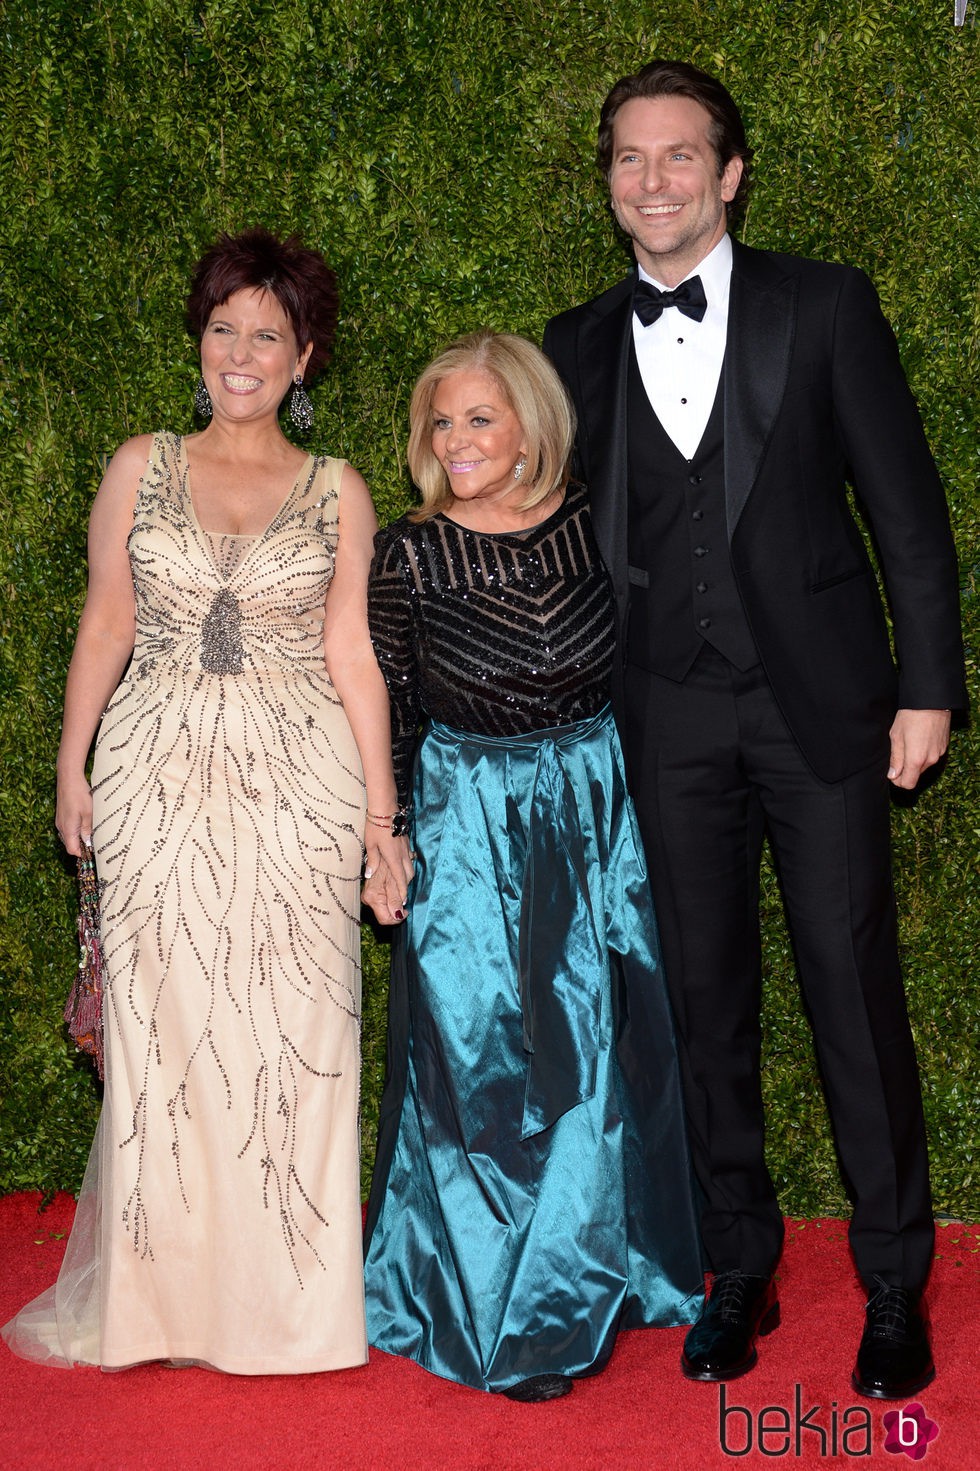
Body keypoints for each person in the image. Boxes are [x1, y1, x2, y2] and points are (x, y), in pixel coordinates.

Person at [543, 60, 966, 1399]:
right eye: (628, 156)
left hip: (822, 704)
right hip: (663, 711)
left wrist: (929, 684)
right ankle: (741, 1268)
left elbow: (906, 507)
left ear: (729, 173)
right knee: (700, 1005)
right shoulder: (571, 344)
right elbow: (547, 535)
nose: (652, 180)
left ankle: (895, 1282)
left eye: (679, 156)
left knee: (853, 995)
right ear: (607, 179)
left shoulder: (823, 304)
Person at [2, 228, 412, 1373]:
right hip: (153, 776)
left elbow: (353, 654)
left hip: (301, 785)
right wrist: (70, 762)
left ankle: (290, 1313)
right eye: (224, 328)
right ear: (199, 342)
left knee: (292, 1035)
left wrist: (382, 821)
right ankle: (159, 1309)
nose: (242, 352)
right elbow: (104, 622)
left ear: (305, 358)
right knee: (163, 1038)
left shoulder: (339, 489)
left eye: (267, 335)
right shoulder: (141, 464)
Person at [361, 330, 704, 1403]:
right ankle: (480, 1297)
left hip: (590, 812)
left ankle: (583, 1280)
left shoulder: (585, 523)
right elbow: (390, 706)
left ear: (529, 429)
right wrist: (388, 836)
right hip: (467, 822)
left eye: (478, 418)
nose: (453, 441)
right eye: (438, 420)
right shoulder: (408, 555)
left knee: (593, 1055)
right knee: (478, 1067)